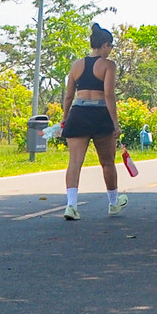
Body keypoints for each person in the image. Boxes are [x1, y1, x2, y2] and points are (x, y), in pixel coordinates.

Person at [60, 23, 127, 221]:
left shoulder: (76, 65)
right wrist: (115, 123)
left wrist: (65, 117)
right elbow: (109, 95)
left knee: (75, 162)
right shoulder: (108, 65)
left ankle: (71, 206)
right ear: (105, 45)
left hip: (78, 113)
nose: (111, 50)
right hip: (100, 115)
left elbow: (68, 95)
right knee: (107, 162)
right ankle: (113, 203)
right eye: (111, 46)